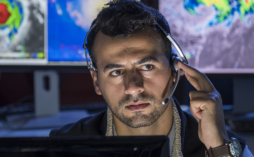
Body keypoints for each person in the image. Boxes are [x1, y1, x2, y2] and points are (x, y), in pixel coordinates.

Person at [50, 0, 253, 156]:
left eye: (147, 66)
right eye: (116, 72)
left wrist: (218, 148)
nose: (133, 87)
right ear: (96, 81)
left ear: (176, 71)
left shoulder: (225, 147)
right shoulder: (64, 147)